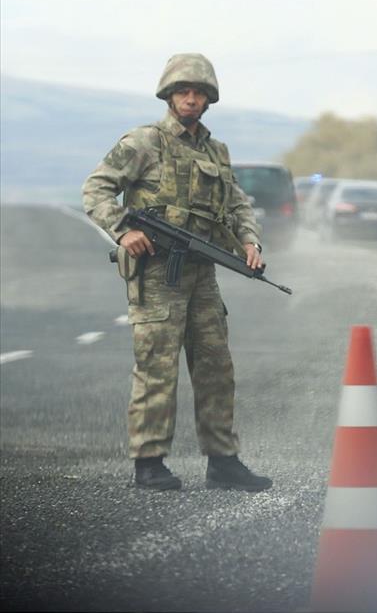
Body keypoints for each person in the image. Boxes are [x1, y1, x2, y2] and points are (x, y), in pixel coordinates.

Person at [82, 53, 272, 492]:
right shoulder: (144, 142)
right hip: (156, 274)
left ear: (209, 100)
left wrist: (250, 242)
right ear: (169, 95)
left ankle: (223, 462)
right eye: (183, 91)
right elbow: (96, 188)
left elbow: (238, 204)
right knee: (157, 367)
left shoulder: (216, 151)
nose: (190, 99)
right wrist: (123, 230)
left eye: (198, 93)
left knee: (216, 367)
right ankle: (149, 462)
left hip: (202, 273)